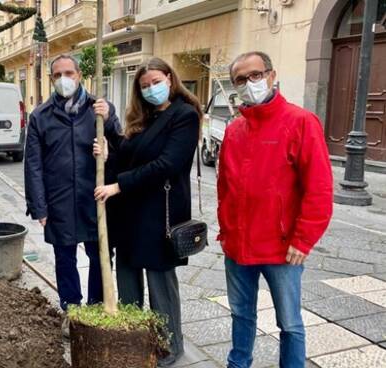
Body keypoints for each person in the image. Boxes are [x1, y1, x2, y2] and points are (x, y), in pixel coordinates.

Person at [217, 51, 333, 368]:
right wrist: (226, 230)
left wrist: (304, 238)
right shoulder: (234, 130)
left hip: (282, 247)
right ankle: (237, 364)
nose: (249, 83)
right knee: (241, 314)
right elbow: (225, 186)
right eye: (240, 79)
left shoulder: (301, 122)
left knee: (290, 323)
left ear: (271, 75)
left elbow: (319, 188)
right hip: (238, 245)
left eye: (255, 75)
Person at [94, 57, 202, 366]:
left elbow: (167, 164)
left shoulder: (184, 116)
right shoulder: (143, 117)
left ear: (169, 78)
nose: (150, 89)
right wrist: (109, 151)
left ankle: (168, 348)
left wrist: (119, 186)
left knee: (160, 287)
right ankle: (133, 340)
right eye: (144, 86)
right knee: (128, 283)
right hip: (130, 216)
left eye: (155, 82)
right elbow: (129, 160)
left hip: (160, 217)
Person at [24, 54, 121, 318]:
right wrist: (38, 207)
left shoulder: (99, 110)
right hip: (59, 200)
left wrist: (109, 125)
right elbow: (33, 165)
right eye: (58, 75)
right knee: (64, 258)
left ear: (79, 75)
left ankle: (97, 306)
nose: (64, 79)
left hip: (95, 197)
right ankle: (72, 309)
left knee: (100, 255)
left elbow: (122, 149)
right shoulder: (41, 116)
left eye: (69, 73)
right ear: (52, 79)